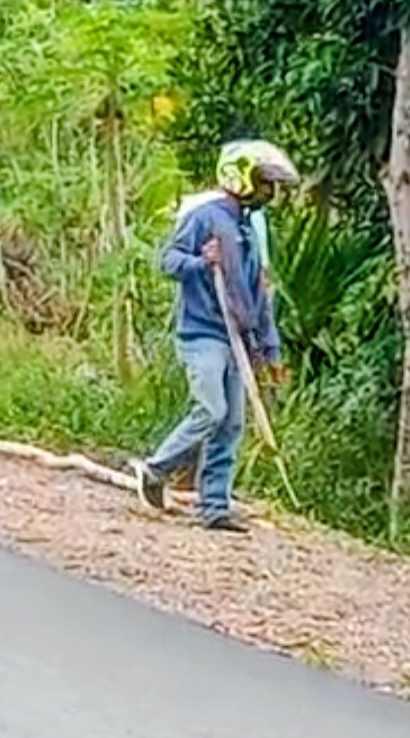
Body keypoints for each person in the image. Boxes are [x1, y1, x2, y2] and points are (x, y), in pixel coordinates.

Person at [131, 140, 299, 532]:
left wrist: (269, 350)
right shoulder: (205, 217)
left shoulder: (248, 230)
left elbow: (259, 296)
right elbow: (168, 261)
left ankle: (215, 507)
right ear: (241, 177)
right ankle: (156, 469)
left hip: (237, 341)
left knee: (231, 425)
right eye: (264, 182)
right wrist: (201, 262)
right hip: (202, 333)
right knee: (212, 409)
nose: (269, 192)